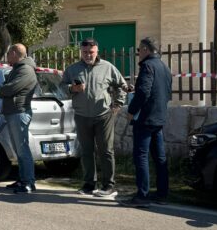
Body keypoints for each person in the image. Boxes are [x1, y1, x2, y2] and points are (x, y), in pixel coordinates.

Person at [61, 38, 128, 198]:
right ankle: (89, 185)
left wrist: (117, 104)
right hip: (82, 116)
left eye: (91, 52)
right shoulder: (72, 69)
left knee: (106, 151)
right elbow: (62, 88)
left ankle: (109, 186)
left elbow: (122, 85)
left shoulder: (107, 67)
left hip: (103, 115)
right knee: (86, 151)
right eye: (84, 52)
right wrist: (72, 88)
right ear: (80, 52)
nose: (88, 55)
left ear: (97, 51)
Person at [124, 37, 172, 206]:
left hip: (145, 119)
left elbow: (144, 92)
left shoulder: (147, 66)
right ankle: (162, 194)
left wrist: (131, 111)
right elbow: (167, 92)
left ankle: (142, 196)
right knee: (159, 157)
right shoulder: (164, 67)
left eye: (139, 50)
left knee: (141, 157)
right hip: (159, 118)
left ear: (145, 49)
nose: (138, 54)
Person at [0, 44, 38, 194]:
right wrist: (4, 87)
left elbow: (8, 89)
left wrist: (2, 87)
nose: (7, 57)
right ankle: (22, 179)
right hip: (13, 112)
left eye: (8, 54)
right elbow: (6, 88)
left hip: (19, 112)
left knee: (22, 150)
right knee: (19, 150)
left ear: (14, 53)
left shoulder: (25, 70)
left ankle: (28, 182)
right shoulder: (18, 68)